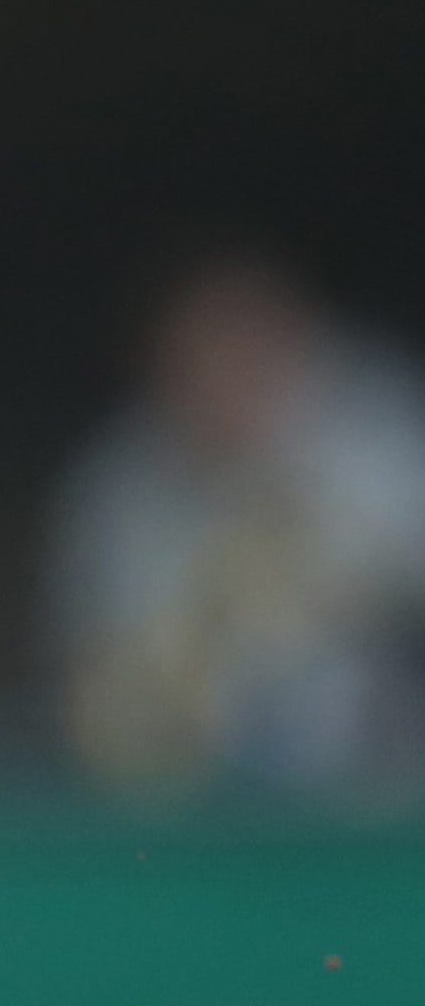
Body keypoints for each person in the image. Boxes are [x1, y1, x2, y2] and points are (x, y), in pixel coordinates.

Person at [48, 253, 425, 801]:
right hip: (199, 810)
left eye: (248, 351)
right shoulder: (118, 489)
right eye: (203, 357)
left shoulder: (385, 434)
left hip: (391, 792)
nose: (226, 378)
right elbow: (99, 694)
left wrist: (320, 570)